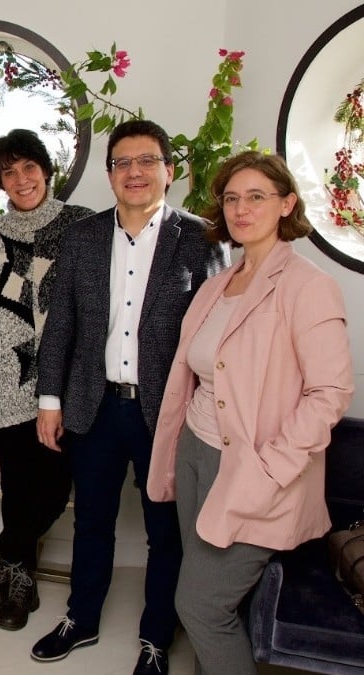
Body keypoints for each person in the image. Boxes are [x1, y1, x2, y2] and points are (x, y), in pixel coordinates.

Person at [31, 120, 229, 675]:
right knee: (91, 519)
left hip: (167, 413)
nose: (135, 172)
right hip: (93, 405)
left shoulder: (202, 239)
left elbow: (215, 332)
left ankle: (155, 639)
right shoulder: (84, 237)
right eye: (123, 163)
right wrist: (50, 400)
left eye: (147, 161)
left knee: (165, 529)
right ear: (110, 173)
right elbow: (62, 325)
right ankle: (82, 618)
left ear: (170, 170)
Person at [146, 151, 353, 675]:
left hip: (255, 469)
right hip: (198, 452)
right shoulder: (220, 283)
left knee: (199, 605)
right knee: (209, 597)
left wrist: (272, 469)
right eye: (232, 197)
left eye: (256, 196)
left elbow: (330, 391)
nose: (241, 208)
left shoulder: (308, 286)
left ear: (286, 203)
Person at [0, 129, 95, 630]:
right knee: (19, 483)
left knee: (55, 486)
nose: (20, 179)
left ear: (47, 170)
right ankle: (19, 585)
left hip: (60, 373)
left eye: (28, 167)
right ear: (0, 182)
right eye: (8, 171)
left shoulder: (81, 225)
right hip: (3, 370)